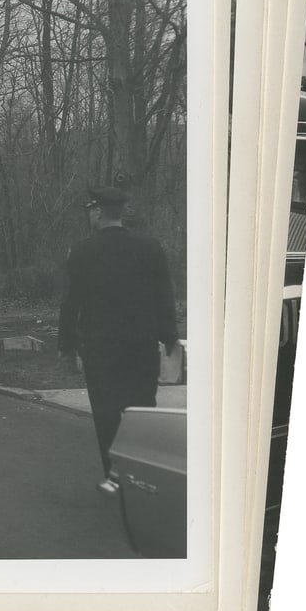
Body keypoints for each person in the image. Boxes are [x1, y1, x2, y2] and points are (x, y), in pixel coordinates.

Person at [57, 186, 179, 494]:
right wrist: (169, 338)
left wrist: (66, 345)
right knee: (141, 411)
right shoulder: (150, 247)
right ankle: (145, 477)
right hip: (141, 347)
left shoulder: (82, 251)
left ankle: (115, 477)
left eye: (90, 211)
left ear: (97, 212)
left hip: (101, 350)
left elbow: (71, 302)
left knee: (108, 414)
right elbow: (164, 297)